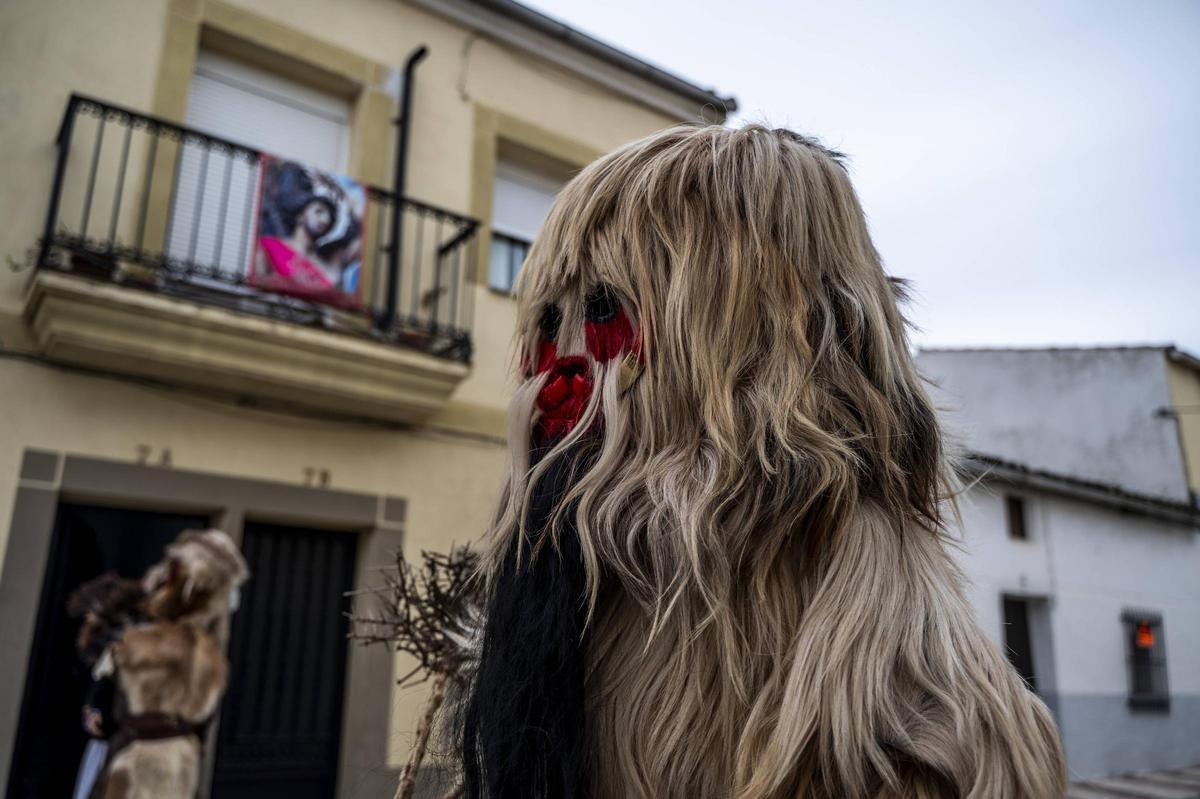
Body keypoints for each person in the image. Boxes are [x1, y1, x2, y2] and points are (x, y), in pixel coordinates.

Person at [455, 125, 1067, 798]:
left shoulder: (858, 628)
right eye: (550, 322)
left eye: (604, 311)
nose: (562, 367)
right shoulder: (573, 564)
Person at [92, 529, 248, 799]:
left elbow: (110, 711)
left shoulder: (138, 644)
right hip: (182, 762)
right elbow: (207, 721)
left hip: (136, 761)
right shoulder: (212, 657)